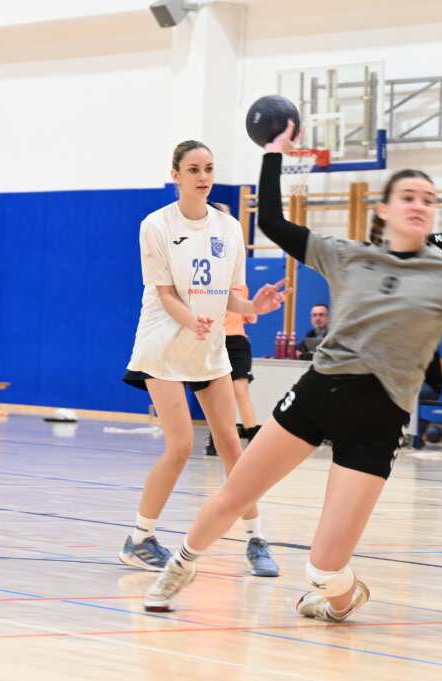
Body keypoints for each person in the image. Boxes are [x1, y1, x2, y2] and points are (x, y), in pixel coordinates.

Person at [140, 123, 442, 621]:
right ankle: (181, 567)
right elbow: (273, 222)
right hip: (318, 394)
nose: (419, 204)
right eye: (408, 196)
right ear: (383, 209)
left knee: (323, 569)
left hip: (378, 419)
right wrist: (274, 154)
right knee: (233, 495)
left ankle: (343, 595)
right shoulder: (348, 254)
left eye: (429, 198)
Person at [119, 140, 286, 578]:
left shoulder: (229, 228)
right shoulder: (155, 225)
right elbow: (165, 293)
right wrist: (192, 320)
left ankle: (256, 539)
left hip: (209, 347)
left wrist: (255, 308)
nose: (203, 176)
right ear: (175, 175)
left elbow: (232, 297)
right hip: (164, 345)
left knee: (234, 445)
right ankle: (139, 538)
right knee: (181, 446)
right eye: (193, 169)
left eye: (209, 168)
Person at [204, 284, 261, 456]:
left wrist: (253, 310)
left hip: (238, 342)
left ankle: (253, 440)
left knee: (240, 390)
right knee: (218, 393)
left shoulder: (242, 286)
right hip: (215, 341)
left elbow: (250, 317)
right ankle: (214, 440)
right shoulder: (210, 283)